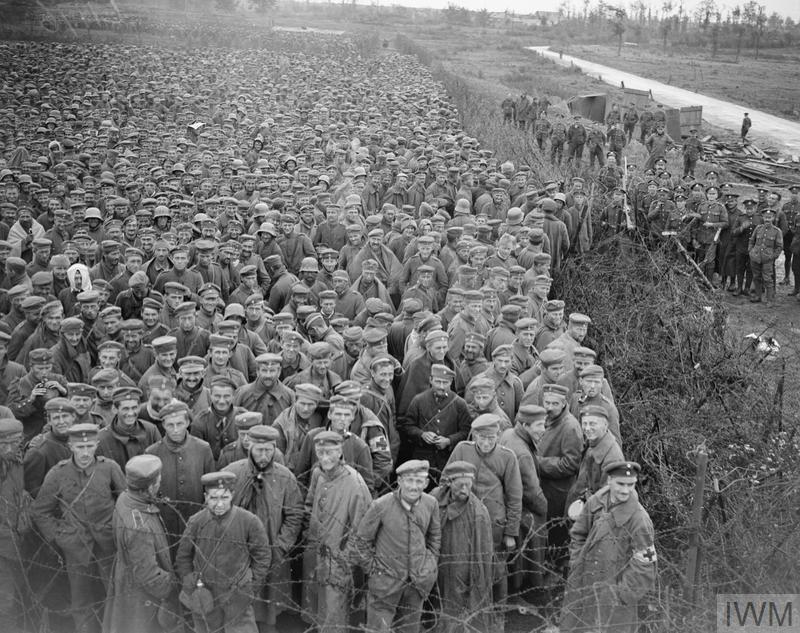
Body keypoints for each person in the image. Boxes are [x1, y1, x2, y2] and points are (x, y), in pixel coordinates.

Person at [32, 423, 127, 633]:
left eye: (89, 446)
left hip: (108, 544)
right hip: (75, 547)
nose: (85, 452)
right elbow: (40, 510)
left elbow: (125, 501)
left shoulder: (109, 468)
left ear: (97, 445)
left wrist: (116, 529)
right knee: (81, 600)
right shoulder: (58, 473)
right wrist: (59, 537)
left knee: (114, 595)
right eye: (80, 447)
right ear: (70, 447)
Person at [560, 461, 657, 633]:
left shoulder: (639, 520)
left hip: (613, 595)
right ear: (610, 481)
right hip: (582, 584)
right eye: (620, 484)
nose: (625, 490)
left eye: (630, 485)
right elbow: (578, 534)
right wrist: (576, 563)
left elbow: (645, 564)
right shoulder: (595, 502)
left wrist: (620, 594)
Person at [225, 425, 304, 633]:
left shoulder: (285, 478)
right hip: (238, 551)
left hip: (271, 550)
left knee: (269, 600)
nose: (263, 455)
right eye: (259, 449)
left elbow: (294, 515)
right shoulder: (232, 473)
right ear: (249, 446)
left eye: (268, 450)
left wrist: (280, 546)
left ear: (275, 448)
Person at [446, 414, 523, 629]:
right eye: (481, 437)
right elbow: (445, 479)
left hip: (494, 525)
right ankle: (463, 614)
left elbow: (515, 497)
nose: (486, 443)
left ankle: (497, 615)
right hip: (463, 521)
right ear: (474, 435)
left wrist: (510, 533)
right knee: (462, 567)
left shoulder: (508, 457)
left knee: (496, 571)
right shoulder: (462, 449)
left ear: (498, 436)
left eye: (491, 438)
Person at [349, 459, 441, 633]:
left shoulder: (431, 504)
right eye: (409, 480)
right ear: (399, 481)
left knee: (409, 629)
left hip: (417, 582)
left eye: (419, 481)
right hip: (385, 583)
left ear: (427, 483)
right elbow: (361, 541)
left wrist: (430, 564)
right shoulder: (381, 506)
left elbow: (434, 537)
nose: (414, 487)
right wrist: (374, 570)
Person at [175, 471, 271, 633]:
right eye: (213, 498)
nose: (219, 504)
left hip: (238, 597)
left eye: (224, 498)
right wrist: (193, 584)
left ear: (232, 495)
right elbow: (183, 557)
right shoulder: (196, 522)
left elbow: (262, 557)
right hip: (207, 598)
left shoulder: (249, 521)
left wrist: (250, 587)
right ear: (205, 497)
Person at [302, 430, 371, 633]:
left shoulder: (354, 482)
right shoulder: (318, 474)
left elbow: (362, 528)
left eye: (330, 452)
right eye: (320, 452)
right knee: (318, 610)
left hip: (338, 561)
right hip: (317, 555)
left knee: (334, 616)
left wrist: (344, 558)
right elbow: (309, 506)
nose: (325, 458)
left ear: (341, 452)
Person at [102, 454, 179, 633]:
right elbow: (149, 577)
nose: (160, 483)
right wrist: (176, 584)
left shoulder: (126, 498)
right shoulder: (139, 527)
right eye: (158, 481)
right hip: (143, 600)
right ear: (150, 487)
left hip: (126, 581)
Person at [429, 460, 494, 633]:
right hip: (438, 562)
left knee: (457, 605)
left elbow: (483, 553)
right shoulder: (435, 498)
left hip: (463, 567)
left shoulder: (478, 512)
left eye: (468, 485)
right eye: (460, 485)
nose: (465, 490)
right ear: (449, 483)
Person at [0, 418, 29, 626]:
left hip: (17, 540)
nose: (9, 448)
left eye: (15, 442)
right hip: (4, 545)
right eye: (3, 444)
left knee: (19, 596)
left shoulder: (18, 461)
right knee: (6, 600)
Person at [748, 208, 782, 305]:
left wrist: (772, 257)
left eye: (769, 217)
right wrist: (750, 251)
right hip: (755, 257)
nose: (767, 219)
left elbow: (779, 247)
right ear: (763, 217)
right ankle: (758, 296)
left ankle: (769, 299)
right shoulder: (758, 228)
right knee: (756, 277)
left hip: (767, 259)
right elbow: (751, 240)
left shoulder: (776, 231)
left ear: (773, 218)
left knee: (767, 279)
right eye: (766, 217)